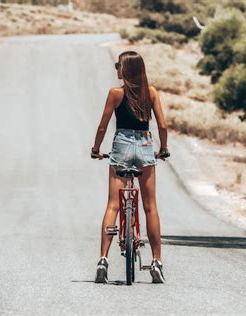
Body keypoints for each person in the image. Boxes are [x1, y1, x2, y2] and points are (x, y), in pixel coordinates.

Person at [90, 51, 169, 284]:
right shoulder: (151, 92)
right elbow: (162, 126)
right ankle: (156, 262)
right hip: (145, 145)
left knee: (113, 204)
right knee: (150, 207)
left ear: (126, 70)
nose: (116, 69)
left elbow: (103, 127)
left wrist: (96, 149)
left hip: (121, 146)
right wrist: (163, 148)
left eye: (118, 66)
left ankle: (103, 260)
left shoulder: (115, 94)